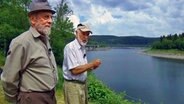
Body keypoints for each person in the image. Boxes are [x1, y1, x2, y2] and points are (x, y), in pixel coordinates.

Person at [1, 0, 58, 104]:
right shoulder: (21, 42)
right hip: (32, 98)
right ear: (32, 19)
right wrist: (16, 100)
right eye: (46, 17)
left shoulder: (44, 39)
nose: (50, 21)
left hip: (50, 96)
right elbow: (9, 78)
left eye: (51, 17)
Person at [62, 23, 101, 104]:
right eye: (83, 34)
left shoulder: (82, 47)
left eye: (87, 34)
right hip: (73, 86)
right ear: (76, 33)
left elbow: (82, 68)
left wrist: (92, 67)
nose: (86, 37)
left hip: (82, 84)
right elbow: (74, 70)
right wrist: (92, 64)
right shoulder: (70, 47)